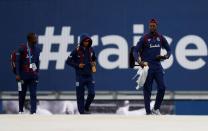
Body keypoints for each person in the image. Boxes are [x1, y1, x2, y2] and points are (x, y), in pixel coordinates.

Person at [133, 19, 171, 115]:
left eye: (153, 26)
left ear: (156, 26)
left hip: (157, 67)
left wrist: (165, 56)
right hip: (147, 67)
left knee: (162, 88)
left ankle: (156, 109)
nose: (152, 27)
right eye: (150, 26)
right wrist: (139, 61)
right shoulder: (144, 38)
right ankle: (148, 112)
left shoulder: (160, 37)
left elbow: (169, 49)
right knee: (147, 90)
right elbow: (135, 51)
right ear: (149, 26)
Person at [66, 34, 96, 114]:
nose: (87, 42)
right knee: (80, 96)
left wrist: (93, 65)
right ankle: (82, 112)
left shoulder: (91, 50)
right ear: (82, 41)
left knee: (92, 93)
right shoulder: (76, 50)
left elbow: (94, 59)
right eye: (85, 41)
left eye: (88, 41)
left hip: (89, 76)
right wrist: (77, 65)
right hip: (80, 76)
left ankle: (86, 106)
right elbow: (68, 61)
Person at [15, 32, 41, 114]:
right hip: (22, 77)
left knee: (33, 94)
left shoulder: (37, 49)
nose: (36, 39)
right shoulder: (21, 48)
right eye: (35, 38)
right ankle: (20, 111)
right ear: (29, 39)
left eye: (36, 38)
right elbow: (18, 62)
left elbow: (36, 62)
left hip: (32, 76)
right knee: (21, 94)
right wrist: (18, 74)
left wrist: (36, 72)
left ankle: (33, 112)